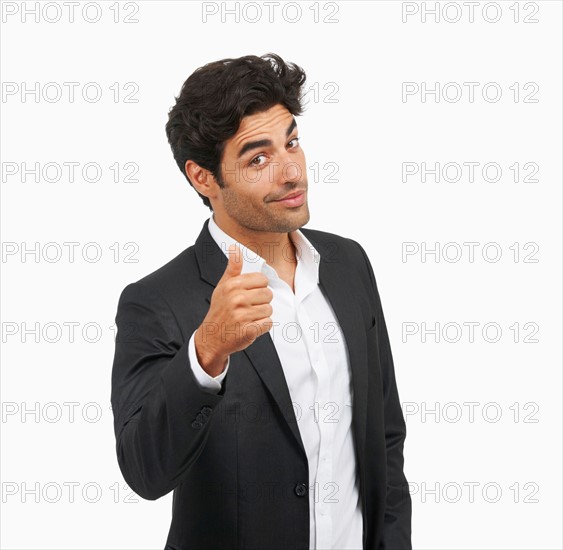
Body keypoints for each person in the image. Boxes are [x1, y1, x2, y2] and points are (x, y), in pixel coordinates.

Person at [110, 53, 411, 550]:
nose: (291, 172)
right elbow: (145, 472)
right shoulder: (157, 301)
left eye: (291, 142)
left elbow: (385, 436)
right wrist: (207, 350)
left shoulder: (349, 264)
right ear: (203, 178)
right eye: (258, 158)